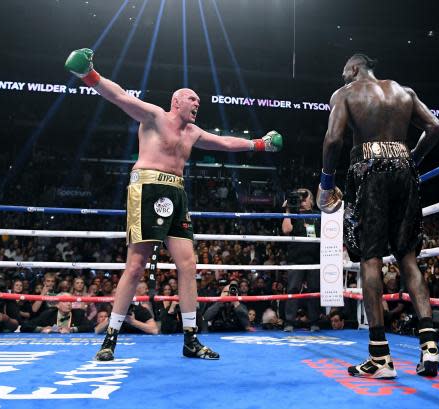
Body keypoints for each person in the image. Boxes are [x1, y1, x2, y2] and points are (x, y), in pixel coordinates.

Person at [64, 48, 282, 361]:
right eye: (192, 99)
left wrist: (260, 144)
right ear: (176, 102)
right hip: (148, 186)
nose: (197, 104)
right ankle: (110, 338)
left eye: (199, 101)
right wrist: (89, 75)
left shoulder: (192, 132)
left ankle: (191, 339)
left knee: (188, 265)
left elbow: (225, 143)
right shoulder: (153, 116)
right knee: (136, 265)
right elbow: (120, 97)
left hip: (176, 192)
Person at [317, 53, 439, 378]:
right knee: (408, 258)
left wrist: (326, 184)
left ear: (356, 68)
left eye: (344, 69)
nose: (342, 75)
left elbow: (333, 140)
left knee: (370, 259)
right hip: (404, 171)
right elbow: (435, 127)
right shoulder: (405, 92)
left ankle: (380, 357)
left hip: (369, 171)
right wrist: (412, 158)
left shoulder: (345, 94)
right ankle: (430, 348)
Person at [281, 188, 321, 332]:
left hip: (315, 258)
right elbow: (286, 230)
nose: (302, 201)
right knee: (292, 289)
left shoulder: (318, 215)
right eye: (299, 198)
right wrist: (287, 211)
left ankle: (314, 322)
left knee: (314, 291)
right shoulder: (293, 214)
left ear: (311, 201)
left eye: (305, 198)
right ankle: (289, 322)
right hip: (296, 259)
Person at [21, 293, 94, 333]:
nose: (69, 304)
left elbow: (90, 326)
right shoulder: (49, 313)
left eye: (70, 301)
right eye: (65, 301)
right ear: (57, 304)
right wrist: (42, 329)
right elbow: (24, 326)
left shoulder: (78, 313)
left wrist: (72, 329)